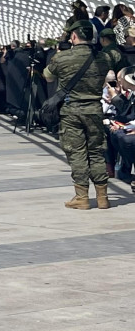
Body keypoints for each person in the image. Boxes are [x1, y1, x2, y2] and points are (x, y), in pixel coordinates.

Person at [44, 20, 110, 210]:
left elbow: (48, 77)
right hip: (95, 110)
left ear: (73, 36)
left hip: (71, 111)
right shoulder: (103, 58)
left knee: (77, 153)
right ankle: (103, 197)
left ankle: (81, 197)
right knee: (96, 152)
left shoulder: (62, 58)